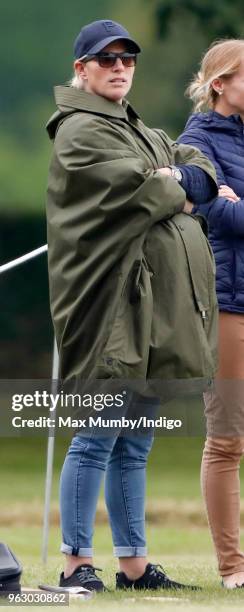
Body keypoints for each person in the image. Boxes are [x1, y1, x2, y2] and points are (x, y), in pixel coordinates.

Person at [46, 19, 218, 592]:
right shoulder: (80, 131)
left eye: (128, 59)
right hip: (111, 311)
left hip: (150, 315)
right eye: (107, 58)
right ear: (82, 69)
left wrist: (186, 176)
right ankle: (75, 565)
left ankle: (134, 567)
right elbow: (143, 192)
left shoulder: (136, 128)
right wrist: (178, 185)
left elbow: (198, 165)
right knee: (95, 438)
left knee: (135, 442)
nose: (120, 67)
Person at [178, 39, 244, 589]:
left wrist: (235, 202)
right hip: (228, 306)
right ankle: (233, 567)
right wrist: (225, 204)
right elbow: (218, 218)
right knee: (226, 440)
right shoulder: (196, 141)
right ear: (220, 83)